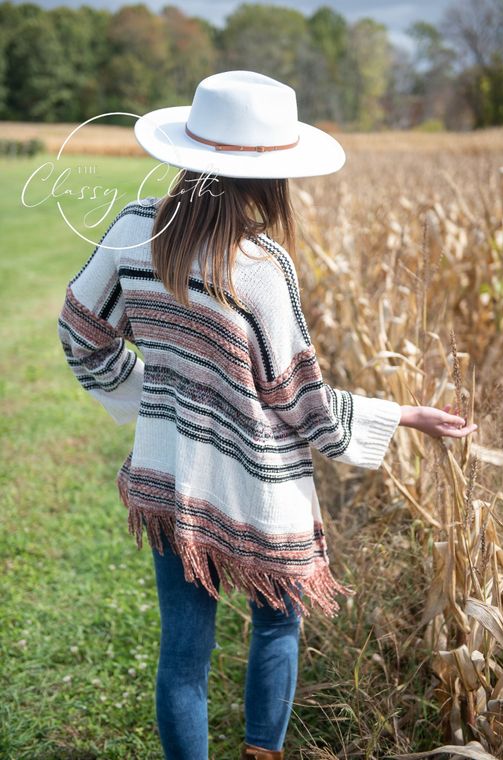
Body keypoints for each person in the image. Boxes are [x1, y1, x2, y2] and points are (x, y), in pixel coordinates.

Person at [57, 71, 478, 760]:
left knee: (183, 657)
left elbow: (81, 333)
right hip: (261, 486)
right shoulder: (259, 264)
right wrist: (402, 414)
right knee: (277, 626)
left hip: (171, 480)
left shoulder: (135, 230)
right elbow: (298, 401)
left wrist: (154, 403)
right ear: (272, 177)